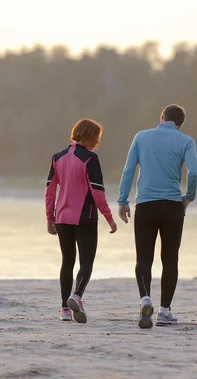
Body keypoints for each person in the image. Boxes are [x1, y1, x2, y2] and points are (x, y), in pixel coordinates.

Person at [117, 104, 197, 329]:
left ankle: (145, 299)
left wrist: (123, 200)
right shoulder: (186, 141)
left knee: (143, 258)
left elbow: (128, 170)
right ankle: (165, 311)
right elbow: (194, 172)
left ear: (161, 117)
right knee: (170, 258)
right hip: (172, 206)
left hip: (145, 205)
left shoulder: (141, 137)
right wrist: (188, 197)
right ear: (180, 124)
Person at [45, 118, 117, 323]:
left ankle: (64, 311)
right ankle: (76, 296)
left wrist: (50, 217)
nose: (98, 143)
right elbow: (98, 193)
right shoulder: (90, 159)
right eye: (97, 138)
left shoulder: (57, 157)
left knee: (67, 262)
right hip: (85, 218)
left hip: (62, 218)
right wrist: (109, 218)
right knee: (86, 263)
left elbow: (50, 191)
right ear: (90, 136)